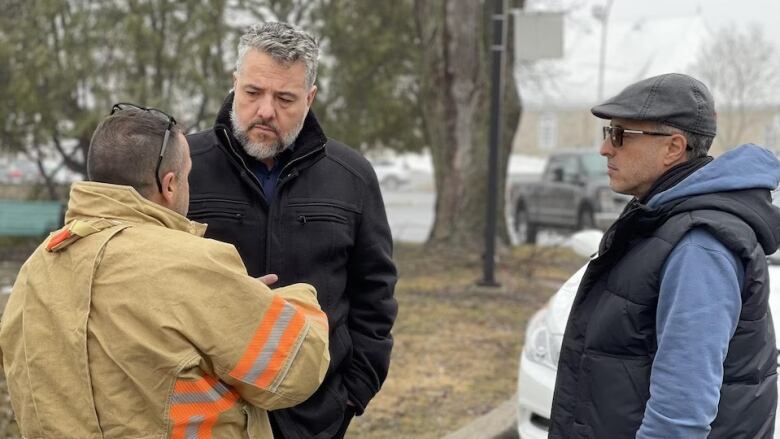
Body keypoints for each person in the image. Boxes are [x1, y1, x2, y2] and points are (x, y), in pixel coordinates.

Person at [0, 104, 330, 438]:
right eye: (187, 175)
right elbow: (297, 368)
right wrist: (281, 301)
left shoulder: (35, 270)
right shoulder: (192, 266)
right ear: (169, 185)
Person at [186, 22, 398, 439]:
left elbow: (375, 291)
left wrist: (352, 395)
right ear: (234, 84)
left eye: (285, 98)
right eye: (252, 93)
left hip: (314, 416)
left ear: (310, 98)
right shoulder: (184, 168)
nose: (266, 110)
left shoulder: (351, 176)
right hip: (204, 416)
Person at [548, 73, 780, 438]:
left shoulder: (699, 245)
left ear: (673, 147)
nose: (606, 149)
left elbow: (680, 417)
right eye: (608, 133)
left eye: (620, 135)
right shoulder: (659, 218)